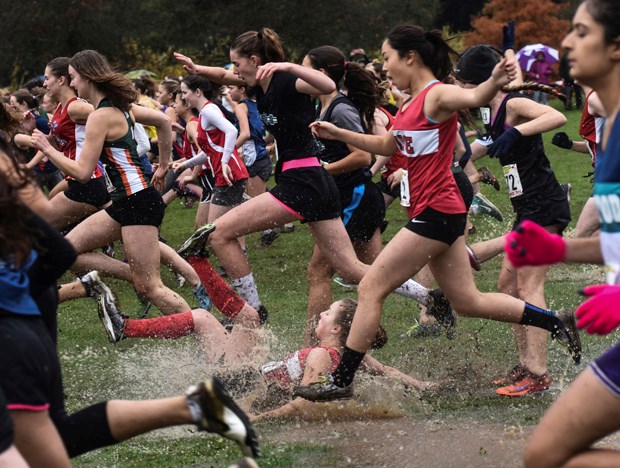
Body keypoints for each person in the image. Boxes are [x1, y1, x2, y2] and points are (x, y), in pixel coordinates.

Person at [293, 24, 580, 402]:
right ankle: (554, 320)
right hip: (438, 211)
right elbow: (386, 142)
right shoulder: (411, 103)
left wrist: (495, 76)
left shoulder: (435, 95)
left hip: (437, 211)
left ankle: (342, 378)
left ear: (410, 57)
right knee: (467, 301)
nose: (385, 65)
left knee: (370, 287)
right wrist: (340, 134)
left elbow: (476, 94)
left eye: (388, 57)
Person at [0, 133, 259, 465]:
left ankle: (192, 398)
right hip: (27, 326)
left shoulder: (98, 114)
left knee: (159, 291)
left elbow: (59, 248)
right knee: (57, 434)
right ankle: (194, 405)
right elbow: (54, 244)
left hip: (16, 333)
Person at [173, 29, 449, 321]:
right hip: (314, 183)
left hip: (303, 182)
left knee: (219, 234)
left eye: (237, 63)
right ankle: (430, 298)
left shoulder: (288, 80)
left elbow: (327, 83)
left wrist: (289, 66)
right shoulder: (257, 84)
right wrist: (197, 69)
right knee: (350, 269)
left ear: (254, 60)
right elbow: (224, 76)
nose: (234, 71)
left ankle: (254, 310)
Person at [87, 246, 433, 419]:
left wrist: (258, 418)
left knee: (207, 319)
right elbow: (386, 371)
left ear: (339, 329)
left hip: (236, 382)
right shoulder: (349, 355)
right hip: (246, 377)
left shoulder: (319, 356)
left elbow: (302, 402)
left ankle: (127, 324)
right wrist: (424, 387)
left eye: (327, 314)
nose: (320, 315)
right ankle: (197, 257)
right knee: (239, 318)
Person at [504, 1, 620, 465]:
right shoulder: (607, 135)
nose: (566, 42)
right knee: (545, 454)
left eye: (580, 31)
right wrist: (560, 248)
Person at [31, 49, 191, 315]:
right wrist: (163, 164)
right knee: (69, 250)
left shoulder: (100, 115)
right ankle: (98, 283)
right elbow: (164, 122)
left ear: (87, 77)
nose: (71, 84)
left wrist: (48, 150)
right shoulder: (114, 108)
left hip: (137, 201)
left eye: (73, 78)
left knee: (151, 287)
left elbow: (82, 173)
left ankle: (206, 331)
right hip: (124, 201)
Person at [455, 44, 570, 396]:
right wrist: (455, 164)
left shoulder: (513, 104)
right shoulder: (491, 112)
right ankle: (525, 365)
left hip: (544, 207)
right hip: (528, 208)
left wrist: (517, 132)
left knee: (530, 286)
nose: (462, 92)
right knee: (507, 286)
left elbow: (556, 117)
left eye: (463, 84)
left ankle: (538, 374)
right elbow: (485, 145)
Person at [30, 56, 112, 229]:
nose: (44, 84)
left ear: (61, 80)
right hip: (77, 179)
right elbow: (55, 141)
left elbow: (109, 114)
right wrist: (33, 129)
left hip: (87, 181)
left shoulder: (75, 107)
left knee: (39, 227)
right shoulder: (61, 106)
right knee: (126, 226)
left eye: (46, 78)